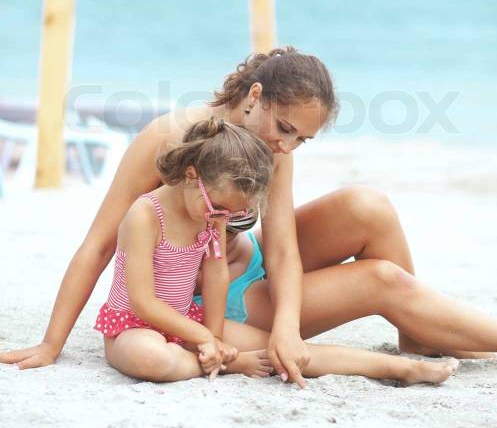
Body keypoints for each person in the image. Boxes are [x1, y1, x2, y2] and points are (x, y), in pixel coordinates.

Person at [2, 47, 497, 385]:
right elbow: (100, 243)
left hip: (254, 265)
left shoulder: (277, 152)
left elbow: (281, 248)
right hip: (215, 301)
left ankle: (416, 331)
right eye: (284, 128)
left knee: (367, 206)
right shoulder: (171, 139)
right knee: (382, 280)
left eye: (303, 139)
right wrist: (52, 343)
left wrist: (287, 329)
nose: (287, 146)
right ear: (254, 96)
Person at [96, 115, 459, 386]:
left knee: (283, 350)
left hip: (189, 320)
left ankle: (402, 368)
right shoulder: (145, 215)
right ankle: (226, 364)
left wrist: (215, 334)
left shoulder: (211, 211)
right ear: (192, 176)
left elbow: (216, 272)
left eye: (230, 215)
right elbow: (143, 302)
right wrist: (205, 339)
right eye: (219, 210)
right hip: (133, 325)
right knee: (151, 359)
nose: (220, 220)